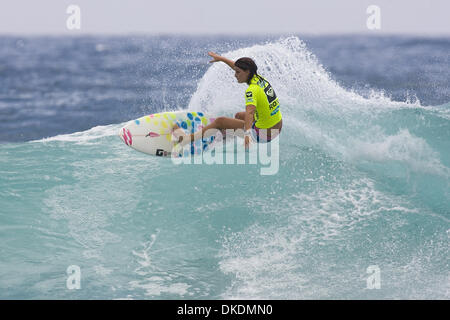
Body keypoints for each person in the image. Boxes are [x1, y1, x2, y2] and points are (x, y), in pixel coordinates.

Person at [172, 51, 282, 150]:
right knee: (239, 116)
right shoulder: (260, 79)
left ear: (247, 72)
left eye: (238, 72)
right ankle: (225, 139)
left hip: (263, 135)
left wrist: (248, 135)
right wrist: (221, 59)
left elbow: (250, 112)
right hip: (276, 127)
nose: (235, 75)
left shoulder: (251, 90)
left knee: (221, 121)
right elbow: (236, 66)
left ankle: (186, 139)